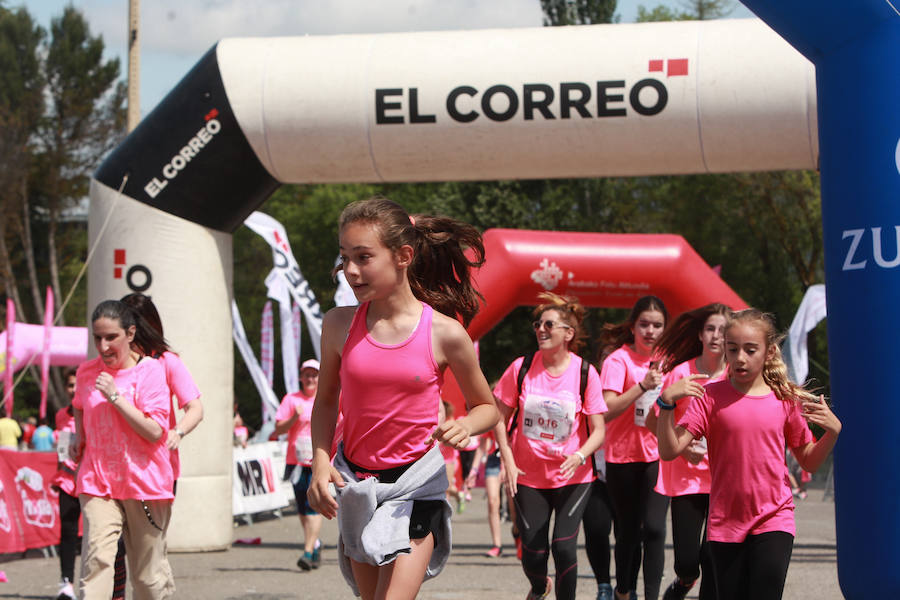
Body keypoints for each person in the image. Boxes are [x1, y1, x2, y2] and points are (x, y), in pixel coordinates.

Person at [307, 196, 499, 600]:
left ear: (403, 256)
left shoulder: (444, 334)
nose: (351, 272)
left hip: (415, 486)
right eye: (345, 258)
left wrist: (465, 425)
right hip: (357, 485)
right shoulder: (338, 324)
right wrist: (320, 463)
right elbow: (325, 401)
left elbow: (488, 408)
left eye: (363, 257)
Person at [657, 308, 842, 600]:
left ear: (769, 353)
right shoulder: (710, 397)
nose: (740, 357)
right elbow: (669, 451)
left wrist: (831, 433)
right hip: (724, 523)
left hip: (774, 518)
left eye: (750, 349)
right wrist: (666, 405)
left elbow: (808, 460)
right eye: (733, 349)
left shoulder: (785, 399)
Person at [494, 292, 608, 600]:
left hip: (573, 476)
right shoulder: (521, 368)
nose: (541, 330)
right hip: (527, 474)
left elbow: (599, 430)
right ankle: (538, 586)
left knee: (563, 546)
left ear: (568, 333)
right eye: (537, 324)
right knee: (533, 552)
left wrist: (581, 454)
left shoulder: (585, 373)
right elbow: (497, 417)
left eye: (548, 324)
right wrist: (507, 458)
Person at [72, 300, 176, 599]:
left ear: (130, 334)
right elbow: (80, 404)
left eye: (111, 337)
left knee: (147, 578)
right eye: (97, 338)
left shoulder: (151, 371)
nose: (103, 346)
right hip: (98, 481)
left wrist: (115, 397)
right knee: (98, 561)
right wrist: (79, 437)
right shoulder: (86, 372)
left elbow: (155, 431)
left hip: (144, 483)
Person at [647, 303, 730, 600]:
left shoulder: (738, 375)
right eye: (710, 329)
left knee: (713, 557)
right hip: (687, 480)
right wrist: (682, 451)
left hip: (725, 479)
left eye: (723, 330)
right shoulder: (682, 373)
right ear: (700, 334)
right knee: (687, 562)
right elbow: (650, 420)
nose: (716, 336)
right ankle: (683, 582)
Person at [598, 295, 669, 600]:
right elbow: (607, 409)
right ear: (633, 326)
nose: (650, 331)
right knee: (628, 532)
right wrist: (642, 386)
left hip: (658, 455)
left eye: (657, 325)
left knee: (653, 529)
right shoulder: (618, 360)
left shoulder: (671, 360)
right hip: (622, 456)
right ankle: (624, 591)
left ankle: (651, 595)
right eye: (644, 324)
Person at [120, 292, 204, 491]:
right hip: (118, 466)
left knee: (149, 523)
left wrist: (177, 432)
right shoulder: (115, 363)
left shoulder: (167, 361)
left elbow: (196, 408)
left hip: (156, 467)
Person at [273, 358, 323, 571]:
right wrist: (295, 416)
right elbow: (279, 429)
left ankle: (308, 550)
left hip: (317, 461)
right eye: (307, 375)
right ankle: (314, 543)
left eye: (314, 375)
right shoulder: (291, 399)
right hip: (295, 462)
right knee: (302, 508)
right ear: (301, 378)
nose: (310, 379)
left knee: (315, 506)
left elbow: (341, 423)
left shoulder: (326, 399)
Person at [464, 432, 504, 557]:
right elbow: (482, 447)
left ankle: (517, 535)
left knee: (516, 507)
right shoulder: (493, 415)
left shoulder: (517, 414)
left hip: (516, 459)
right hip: (494, 459)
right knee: (492, 501)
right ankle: (497, 545)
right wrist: (473, 471)